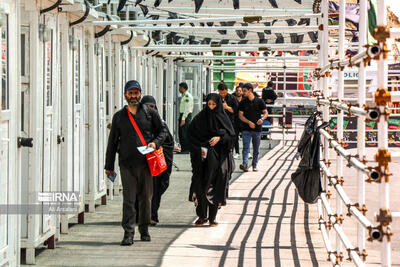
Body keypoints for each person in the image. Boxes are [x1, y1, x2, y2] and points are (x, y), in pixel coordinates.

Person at [105, 80, 167, 246]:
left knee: (146, 198)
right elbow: (112, 142)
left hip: (146, 163)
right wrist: (108, 166)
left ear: (140, 93)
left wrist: (155, 143)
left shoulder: (150, 113)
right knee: (129, 199)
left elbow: (163, 132)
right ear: (125, 95)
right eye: (130, 93)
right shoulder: (119, 117)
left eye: (136, 93)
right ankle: (128, 233)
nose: (133, 96)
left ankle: (144, 229)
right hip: (126, 164)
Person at [188, 93, 236, 227]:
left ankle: (212, 217)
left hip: (218, 157)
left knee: (216, 185)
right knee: (201, 184)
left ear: (219, 104)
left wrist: (220, 138)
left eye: (214, 104)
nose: (211, 107)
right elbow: (191, 134)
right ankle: (202, 216)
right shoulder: (200, 118)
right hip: (201, 158)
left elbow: (231, 136)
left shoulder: (223, 117)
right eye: (209, 104)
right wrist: (201, 145)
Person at [141, 95, 174, 226]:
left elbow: (169, 143)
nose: (150, 110)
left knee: (156, 188)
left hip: (157, 163)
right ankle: (144, 215)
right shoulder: (138, 122)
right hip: (143, 163)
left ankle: (152, 214)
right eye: (147, 107)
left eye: (152, 107)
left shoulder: (161, 123)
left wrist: (156, 146)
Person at [238, 83, 268, 172]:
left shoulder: (259, 101)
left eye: (244, 91)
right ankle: (245, 165)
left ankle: (254, 165)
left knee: (256, 149)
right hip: (246, 129)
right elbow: (240, 116)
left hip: (257, 129)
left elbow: (266, 112)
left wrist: (262, 119)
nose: (243, 93)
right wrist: (248, 122)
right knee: (245, 148)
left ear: (250, 90)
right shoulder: (243, 102)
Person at [217, 82, 238, 157]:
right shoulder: (216, 98)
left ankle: (230, 153)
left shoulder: (232, 98)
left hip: (230, 122)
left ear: (227, 90)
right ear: (218, 91)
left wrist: (227, 107)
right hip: (219, 122)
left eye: (224, 93)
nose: (223, 94)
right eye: (221, 93)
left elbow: (236, 111)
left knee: (230, 138)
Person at [178, 82, 194, 153]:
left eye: (180, 88)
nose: (179, 89)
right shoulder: (184, 95)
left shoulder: (187, 96)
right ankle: (183, 148)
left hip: (186, 116)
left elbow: (187, 109)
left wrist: (183, 119)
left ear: (182, 88)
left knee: (184, 133)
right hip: (183, 115)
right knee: (181, 132)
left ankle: (186, 149)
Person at [231, 85, 244, 158]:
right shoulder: (233, 99)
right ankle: (237, 152)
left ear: (242, 92)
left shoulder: (245, 99)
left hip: (243, 121)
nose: (238, 92)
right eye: (237, 91)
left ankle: (247, 152)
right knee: (235, 137)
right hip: (235, 121)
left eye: (240, 91)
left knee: (245, 137)